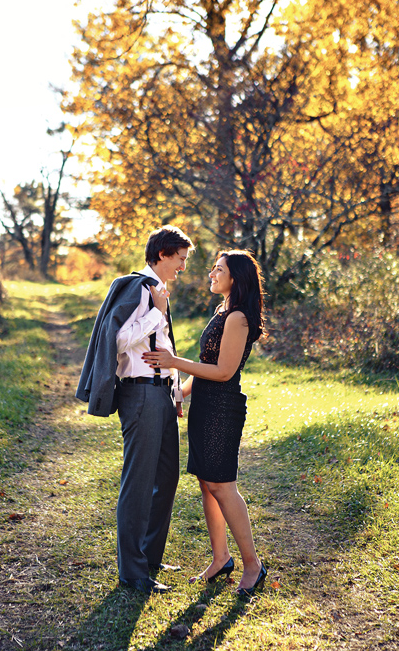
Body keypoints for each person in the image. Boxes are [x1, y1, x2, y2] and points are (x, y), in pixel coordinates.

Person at [76, 225, 194, 594]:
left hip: (160, 395)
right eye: (180, 259)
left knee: (167, 478)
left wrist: (174, 390)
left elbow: (162, 349)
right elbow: (119, 339)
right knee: (139, 482)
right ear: (162, 254)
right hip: (139, 394)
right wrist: (156, 314)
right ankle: (132, 571)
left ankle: (149, 557)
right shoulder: (138, 289)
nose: (183, 267)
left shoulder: (157, 293)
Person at [143, 249, 267, 597]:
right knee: (207, 484)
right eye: (214, 268)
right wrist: (181, 392)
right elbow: (207, 363)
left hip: (221, 410)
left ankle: (253, 566)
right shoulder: (222, 310)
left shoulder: (239, 318)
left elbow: (224, 371)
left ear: (235, 277)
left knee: (223, 486)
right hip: (204, 406)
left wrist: (172, 361)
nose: (211, 273)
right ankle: (220, 558)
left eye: (218, 269)